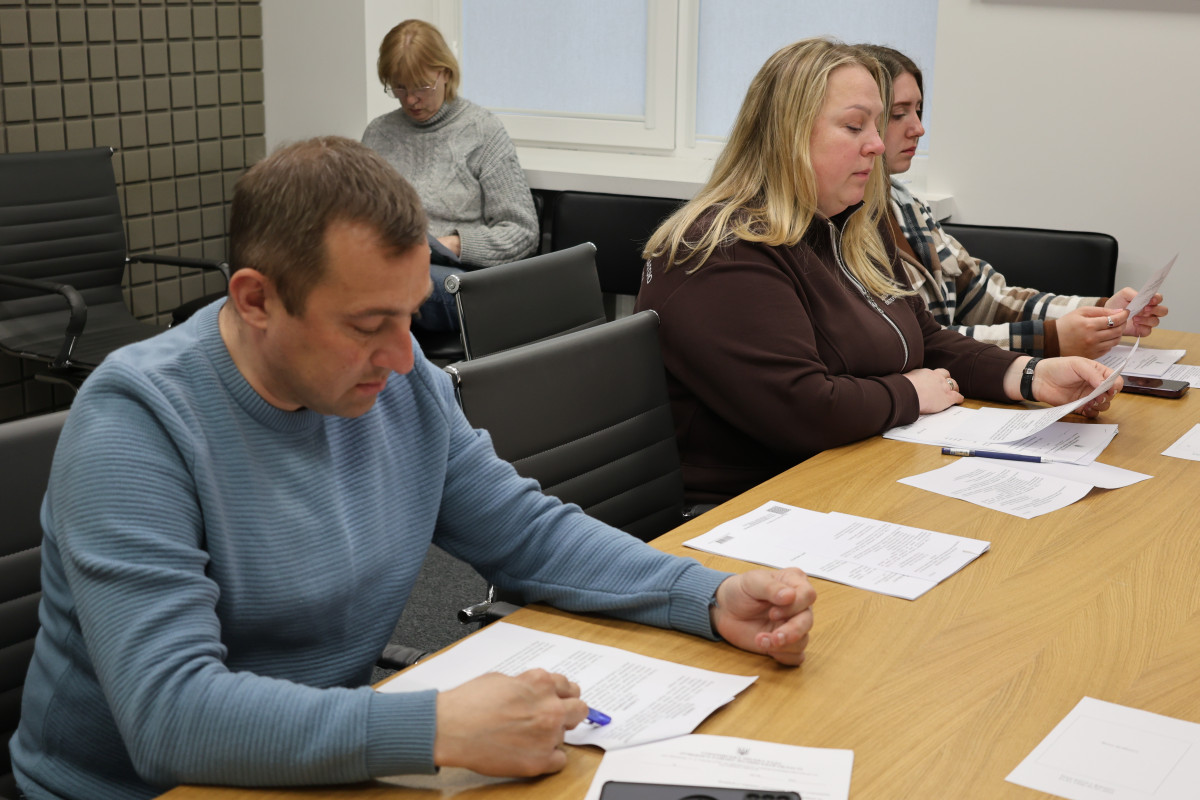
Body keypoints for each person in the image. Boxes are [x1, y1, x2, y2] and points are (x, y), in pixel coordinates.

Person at [9, 137, 816, 800]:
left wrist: (703, 595)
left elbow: (527, 534)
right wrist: (436, 727)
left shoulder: (401, 385)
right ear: (255, 300)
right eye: (369, 325)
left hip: (318, 763)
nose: (404, 358)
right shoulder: (136, 424)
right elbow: (169, 716)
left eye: (410, 315)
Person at [634, 38, 1121, 504]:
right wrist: (908, 392)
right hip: (746, 507)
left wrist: (1030, 375)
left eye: (876, 125)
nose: (876, 145)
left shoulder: (850, 224)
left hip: (852, 472)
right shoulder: (723, 249)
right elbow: (804, 408)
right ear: (787, 135)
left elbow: (925, 338)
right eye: (854, 127)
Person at [858, 44, 1167, 359]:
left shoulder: (905, 204)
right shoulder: (844, 227)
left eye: (918, 110)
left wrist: (1102, 312)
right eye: (899, 114)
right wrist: (1050, 338)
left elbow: (987, 297)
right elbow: (916, 342)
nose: (919, 128)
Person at [362, 19, 539, 331]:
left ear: (445, 73)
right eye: (399, 87)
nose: (410, 99)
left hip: (458, 278)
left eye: (421, 86)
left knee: (387, 286)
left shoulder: (482, 132)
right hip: (390, 268)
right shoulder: (378, 134)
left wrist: (449, 245)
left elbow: (522, 233)